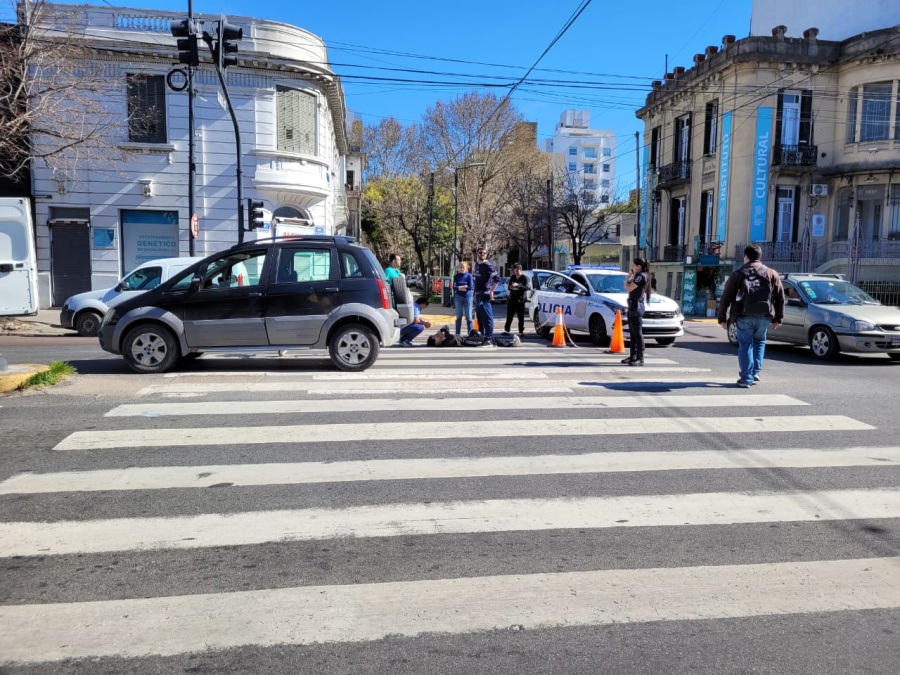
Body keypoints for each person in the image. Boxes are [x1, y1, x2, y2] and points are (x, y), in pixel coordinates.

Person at [717, 244, 785, 388]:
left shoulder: (738, 274)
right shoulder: (771, 273)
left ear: (746, 257)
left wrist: (722, 318)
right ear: (759, 256)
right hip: (764, 315)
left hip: (744, 315)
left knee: (745, 345)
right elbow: (780, 297)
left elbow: (726, 297)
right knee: (759, 342)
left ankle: (746, 378)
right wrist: (778, 318)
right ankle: (755, 373)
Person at [623, 258, 651, 366]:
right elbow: (626, 286)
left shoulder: (641, 276)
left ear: (639, 266)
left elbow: (629, 288)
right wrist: (630, 275)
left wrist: (631, 276)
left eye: (633, 265)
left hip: (636, 306)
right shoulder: (637, 275)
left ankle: (640, 357)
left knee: (637, 333)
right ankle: (633, 356)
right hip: (632, 305)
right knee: (633, 333)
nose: (632, 267)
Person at [473, 248, 499, 343]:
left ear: (486, 255)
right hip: (477, 294)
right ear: (477, 254)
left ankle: (489, 338)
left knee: (487, 317)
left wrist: (491, 291)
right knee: (480, 317)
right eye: (480, 253)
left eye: (484, 253)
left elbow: (497, 278)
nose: (482, 254)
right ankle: (481, 336)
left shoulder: (487, 265)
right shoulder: (477, 265)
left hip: (484, 293)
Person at [504, 264, 530, 336]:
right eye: (515, 271)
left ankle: (521, 331)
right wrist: (511, 287)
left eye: (517, 271)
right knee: (509, 315)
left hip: (520, 300)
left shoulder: (524, 278)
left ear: (521, 270)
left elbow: (527, 288)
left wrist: (518, 286)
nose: (516, 273)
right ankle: (507, 330)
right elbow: (509, 287)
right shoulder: (512, 277)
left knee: (520, 317)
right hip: (512, 299)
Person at [452, 261, 474, 337]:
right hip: (458, 297)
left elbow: (470, 287)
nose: (462, 269)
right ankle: (457, 334)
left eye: (463, 267)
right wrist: (462, 287)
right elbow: (454, 287)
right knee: (458, 316)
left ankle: (470, 334)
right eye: (460, 267)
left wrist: (459, 288)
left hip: (468, 297)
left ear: (466, 268)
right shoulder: (456, 276)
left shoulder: (469, 276)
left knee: (469, 317)